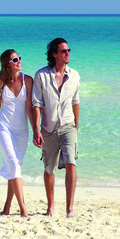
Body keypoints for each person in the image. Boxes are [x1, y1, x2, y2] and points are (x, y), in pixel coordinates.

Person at [31, 38, 80, 218]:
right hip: (48, 128)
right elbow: (37, 104)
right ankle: (50, 207)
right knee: (49, 169)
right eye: (63, 51)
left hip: (68, 125)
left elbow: (76, 101)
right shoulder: (41, 75)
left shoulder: (74, 75)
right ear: (54, 54)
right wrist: (36, 130)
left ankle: (70, 209)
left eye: (68, 50)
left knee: (71, 164)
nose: (67, 53)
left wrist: (76, 124)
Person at [0, 49, 33, 217]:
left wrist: (36, 130)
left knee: (13, 168)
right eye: (15, 59)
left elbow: (30, 108)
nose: (18, 61)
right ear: (6, 64)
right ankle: (23, 209)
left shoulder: (28, 80)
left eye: (19, 58)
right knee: (14, 166)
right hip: (4, 129)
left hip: (22, 132)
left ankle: (7, 207)